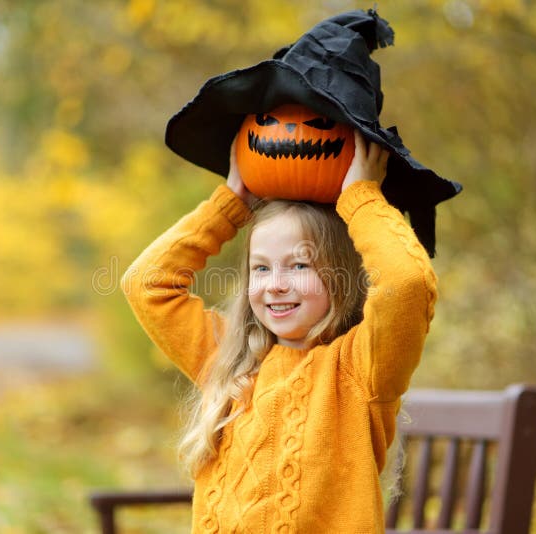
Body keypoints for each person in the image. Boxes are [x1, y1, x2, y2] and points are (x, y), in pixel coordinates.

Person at [121, 132, 437, 533]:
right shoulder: (229, 358)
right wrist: (230, 204)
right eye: (261, 267)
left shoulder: (360, 369)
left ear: (341, 276)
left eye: (300, 266)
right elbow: (146, 284)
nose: (275, 284)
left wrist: (362, 198)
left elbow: (407, 283)